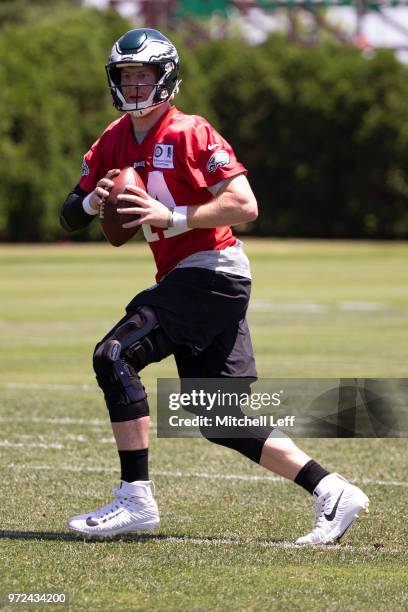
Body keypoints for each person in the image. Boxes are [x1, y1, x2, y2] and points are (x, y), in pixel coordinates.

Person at [60, 27, 369, 545]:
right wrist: (96, 200)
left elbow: (245, 204)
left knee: (114, 354)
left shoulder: (190, 131)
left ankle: (135, 498)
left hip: (213, 272)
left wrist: (173, 216)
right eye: (127, 76)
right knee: (218, 415)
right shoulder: (113, 139)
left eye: (145, 75)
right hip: (192, 278)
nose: (135, 86)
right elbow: (71, 213)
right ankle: (333, 490)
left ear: (167, 78)